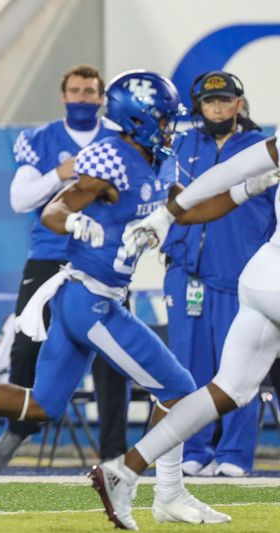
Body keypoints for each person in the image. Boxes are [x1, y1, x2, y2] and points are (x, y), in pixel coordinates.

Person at [0, 70, 234, 525]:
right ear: (137, 120)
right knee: (179, 389)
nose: (168, 129)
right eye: (161, 120)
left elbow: (191, 208)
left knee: (43, 404)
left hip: (89, 299)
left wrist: (247, 187)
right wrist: (75, 222)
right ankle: (165, 491)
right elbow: (56, 208)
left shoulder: (159, 161)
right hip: (90, 301)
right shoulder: (112, 159)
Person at [90, 137, 280, 530]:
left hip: (262, 272)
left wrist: (167, 214)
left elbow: (230, 170)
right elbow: (234, 172)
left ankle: (125, 470)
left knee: (230, 390)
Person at [0, 64, 128, 470]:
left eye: (90, 92)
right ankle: (18, 427)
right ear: (63, 95)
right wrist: (60, 174)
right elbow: (20, 199)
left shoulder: (119, 140)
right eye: (76, 91)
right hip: (49, 254)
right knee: (26, 344)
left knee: (112, 353)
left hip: (105, 259)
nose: (83, 98)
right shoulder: (41, 139)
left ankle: (114, 450)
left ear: (101, 98)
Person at [160, 71, 273, 478]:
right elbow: (166, 196)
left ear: (239, 104)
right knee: (188, 365)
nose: (218, 108)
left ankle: (235, 454)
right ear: (199, 107)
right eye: (210, 103)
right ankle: (194, 448)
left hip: (239, 275)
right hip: (185, 273)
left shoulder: (261, 148)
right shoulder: (184, 146)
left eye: (225, 101)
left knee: (240, 367)